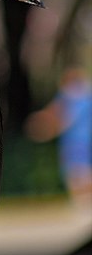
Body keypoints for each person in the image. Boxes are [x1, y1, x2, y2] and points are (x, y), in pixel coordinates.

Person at [25, 67, 92, 205]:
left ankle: (84, 199)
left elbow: (63, 118)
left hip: (81, 140)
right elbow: (55, 112)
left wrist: (49, 128)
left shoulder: (82, 98)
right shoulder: (69, 96)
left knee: (81, 170)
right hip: (72, 141)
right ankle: (81, 200)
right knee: (74, 170)